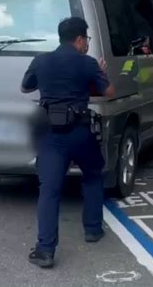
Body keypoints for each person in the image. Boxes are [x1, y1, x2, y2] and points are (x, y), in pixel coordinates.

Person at [21, 17, 115, 268]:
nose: (87, 45)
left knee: (49, 190)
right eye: (87, 40)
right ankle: (93, 229)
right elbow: (109, 92)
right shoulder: (88, 63)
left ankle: (45, 250)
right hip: (82, 132)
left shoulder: (41, 61)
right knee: (93, 175)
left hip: (52, 135)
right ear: (80, 39)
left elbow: (25, 87)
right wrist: (99, 75)